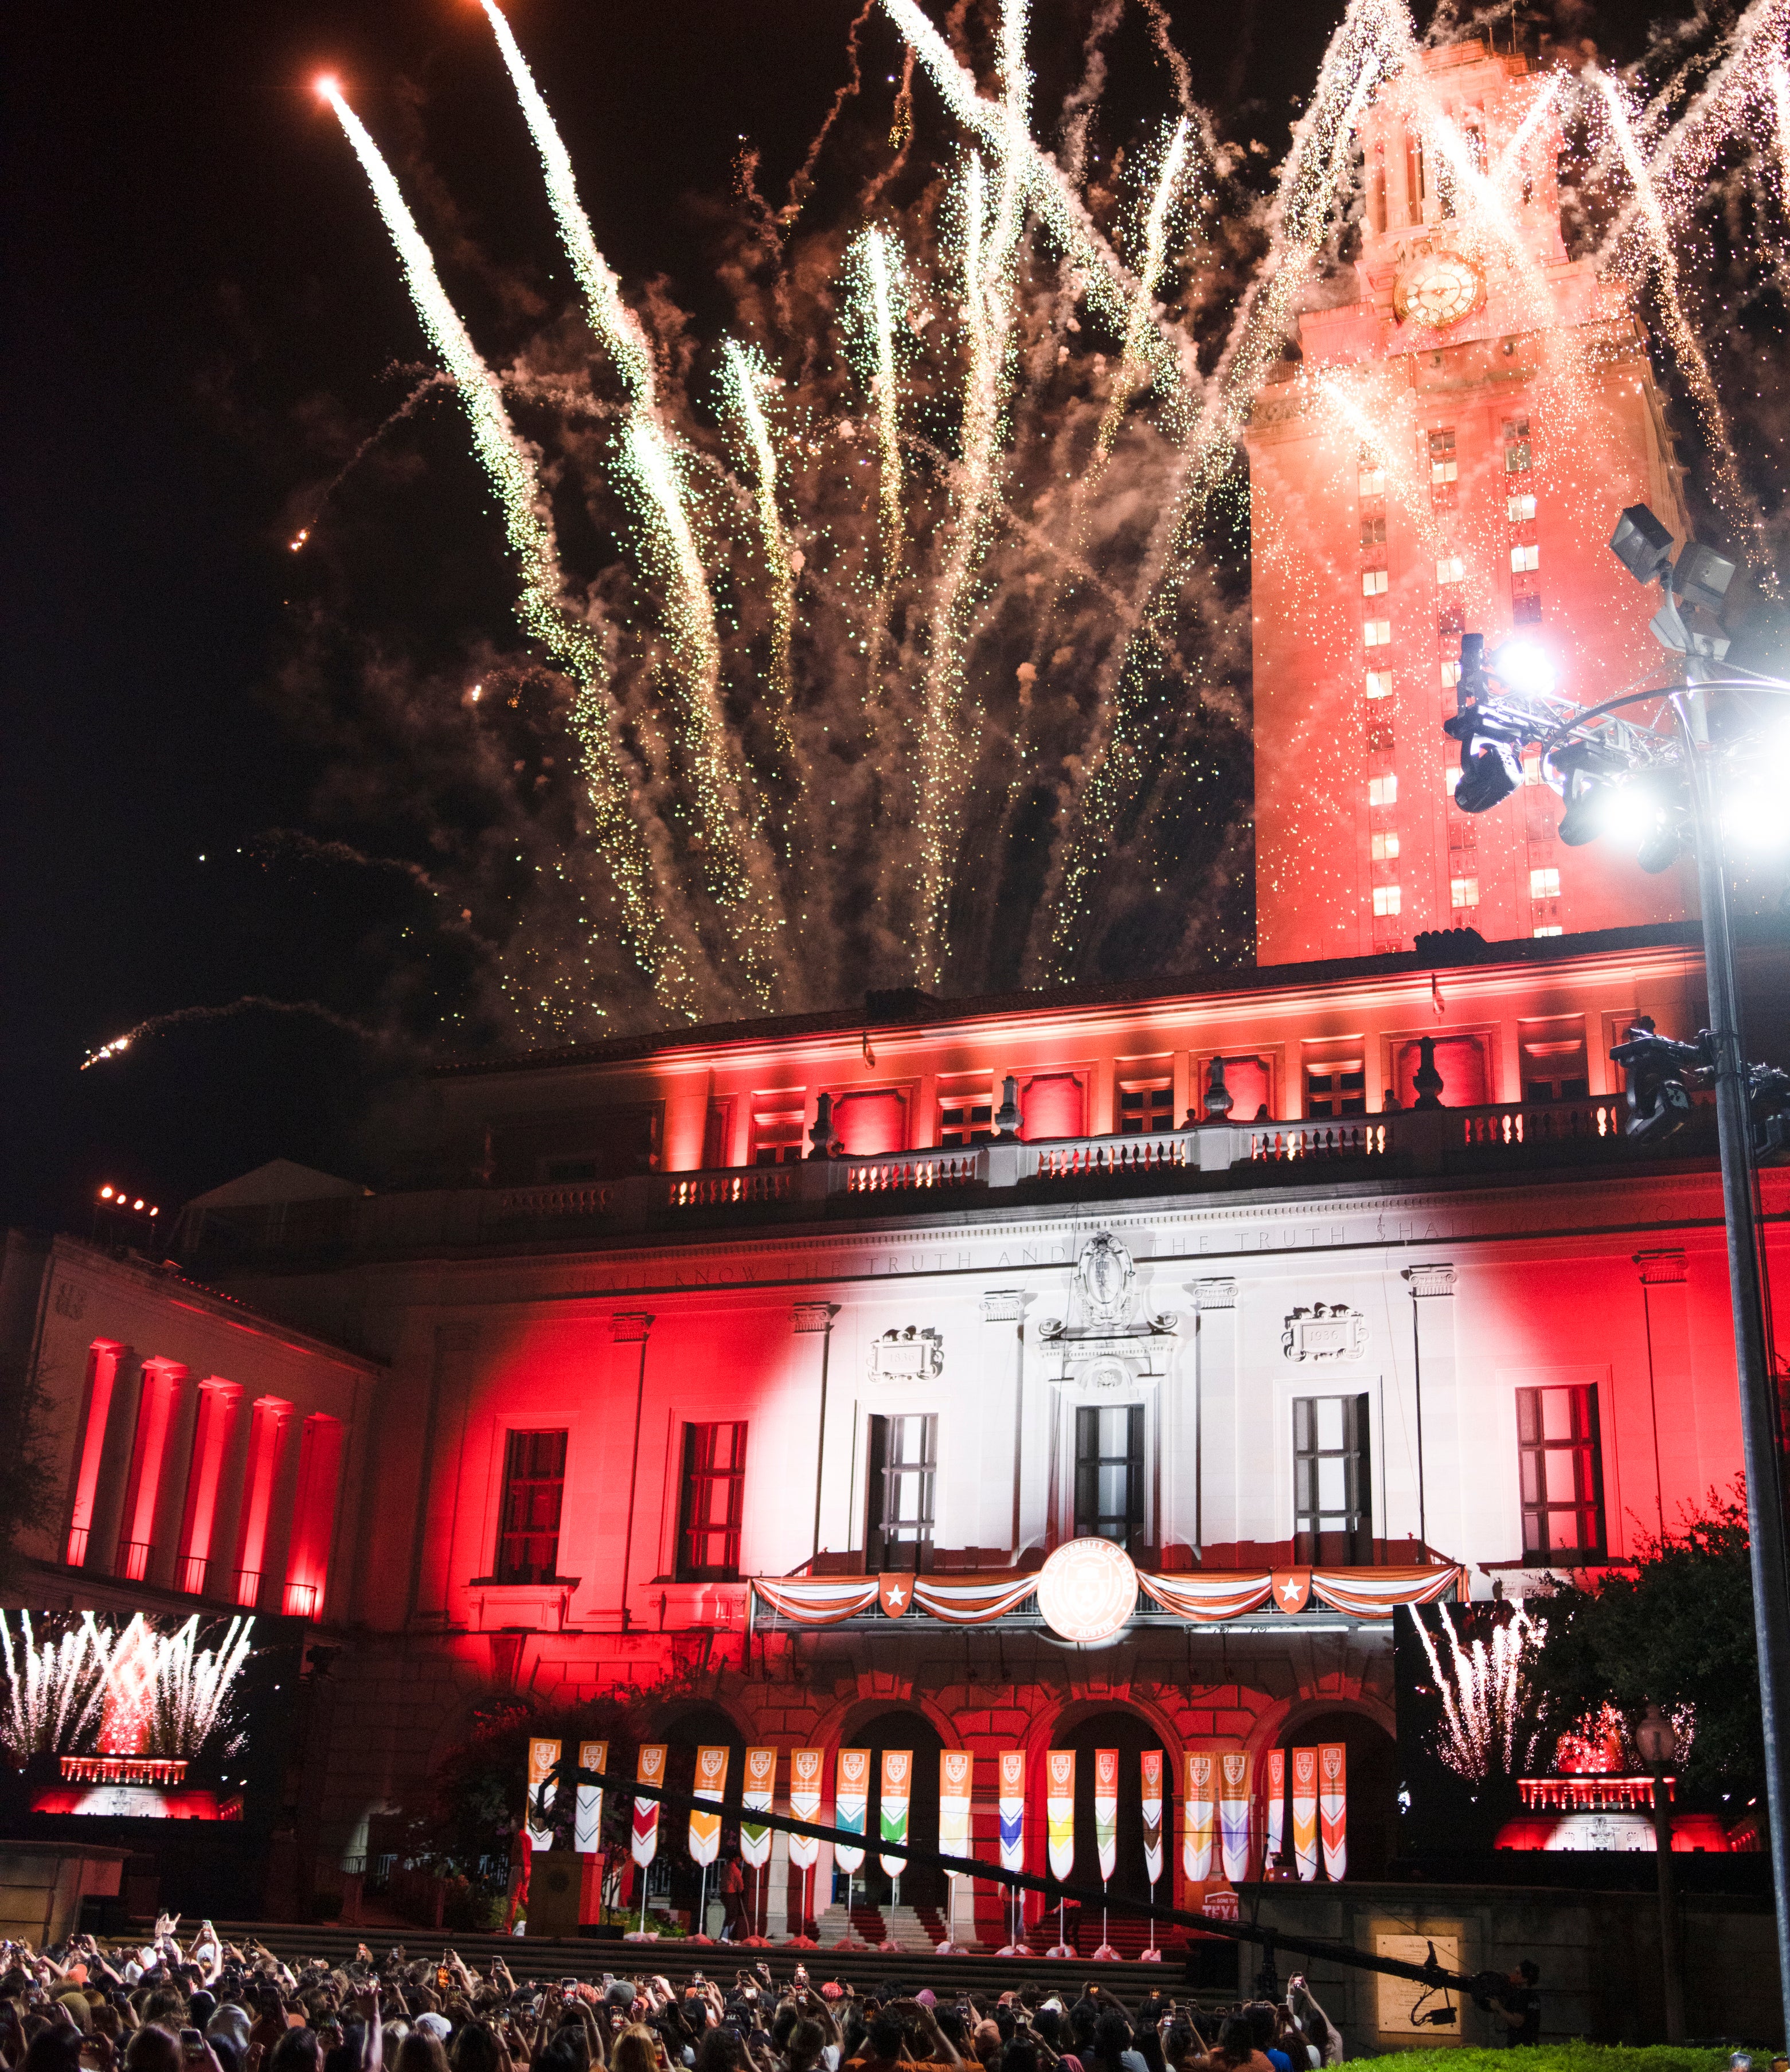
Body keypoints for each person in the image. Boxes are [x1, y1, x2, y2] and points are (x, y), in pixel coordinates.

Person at [1487, 1963, 1541, 2048]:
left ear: (1525, 1979)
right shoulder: (1534, 1996)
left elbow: (1517, 2022)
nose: (1513, 1976)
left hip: (1520, 2046)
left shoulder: (1523, 1996)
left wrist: (1499, 2008)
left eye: (1517, 1973)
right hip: (1531, 2044)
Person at [719, 1860, 749, 1946]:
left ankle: (725, 1935)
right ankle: (725, 1936)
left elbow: (720, 1880)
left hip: (724, 1894)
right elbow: (740, 1883)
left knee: (729, 1915)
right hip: (731, 1893)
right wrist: (741, 1891)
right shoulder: (735, 1869)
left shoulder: (724, 1868)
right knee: (733, 1915)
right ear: (736, 1859)